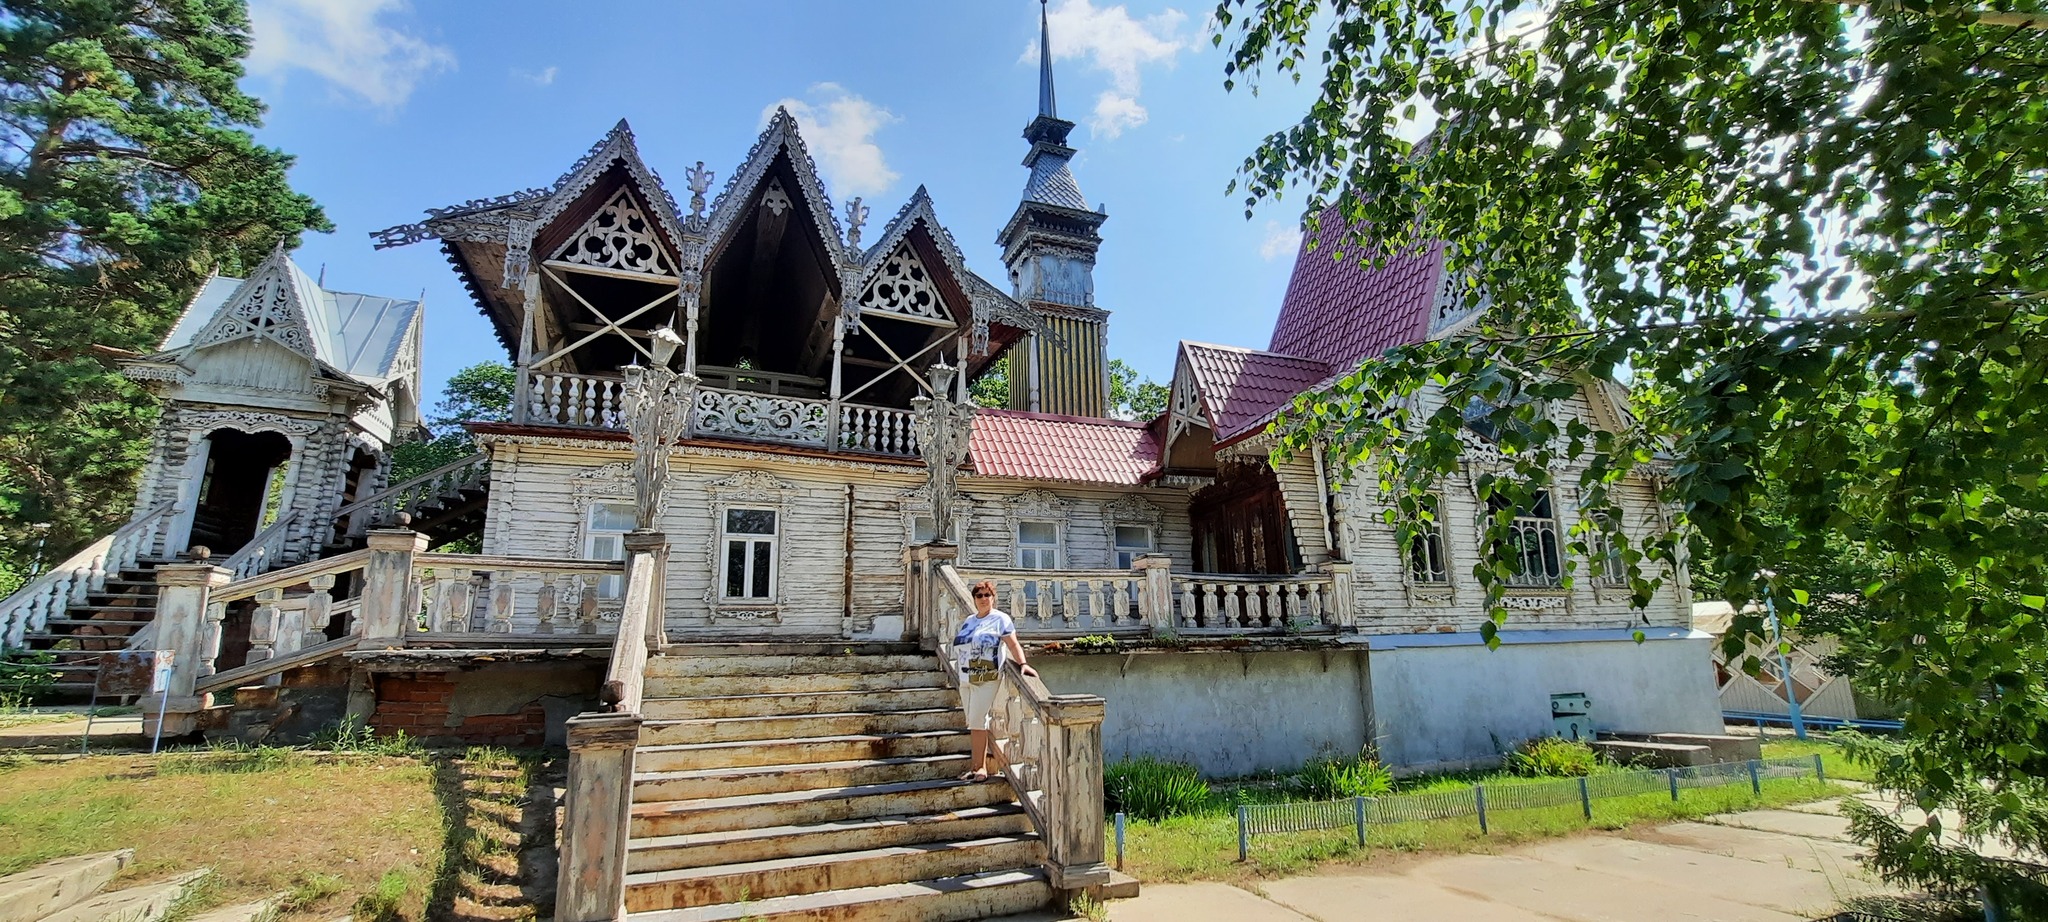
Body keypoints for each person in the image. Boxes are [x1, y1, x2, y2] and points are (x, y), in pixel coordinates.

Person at [955, 579, 1036, 781]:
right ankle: (975, 767)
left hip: (987, 676)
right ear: (974, 599)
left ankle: (981, 768)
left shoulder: (1000, 619)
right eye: (979, 595)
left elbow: (1012, 643)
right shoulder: (969, 620)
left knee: (977, 719)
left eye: (987, 595)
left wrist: (1023, 663)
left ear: (993, 598)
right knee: (972, 721)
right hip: (966, 677)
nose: (983, 599)